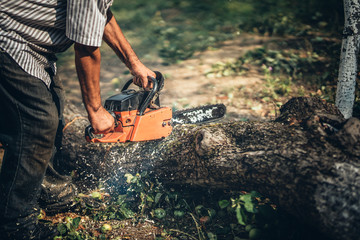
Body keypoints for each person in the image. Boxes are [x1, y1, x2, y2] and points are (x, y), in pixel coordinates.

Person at [0, 0, 155, 239]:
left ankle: (52, 194)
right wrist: (95, 111)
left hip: (30, 42)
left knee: (54, 104)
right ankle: (15, 226)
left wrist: (133, 63)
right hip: (9, 38)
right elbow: (85, 48)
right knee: (38, 125)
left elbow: (100, 14)